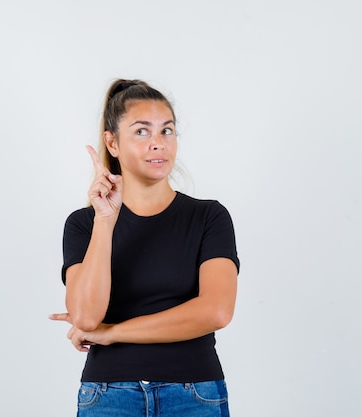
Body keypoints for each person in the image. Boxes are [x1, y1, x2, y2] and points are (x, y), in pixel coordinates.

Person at [49, 79, 239, 417]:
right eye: (141, 132)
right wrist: (105, 220)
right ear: (113, 142)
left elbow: (216, 311)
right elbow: (87, 316)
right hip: (109, 396)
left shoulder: (208, 217)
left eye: (166, 131)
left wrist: (113, 333)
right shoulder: (83, 225)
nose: (158, 144)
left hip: (193, 393)